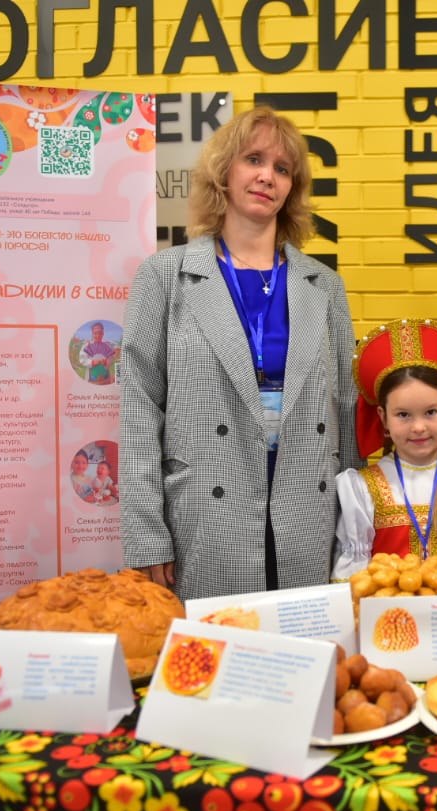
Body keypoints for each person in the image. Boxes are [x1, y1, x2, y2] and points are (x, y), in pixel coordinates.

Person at [120, 105, 360, 601]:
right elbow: (139, 411)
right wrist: (146, 535)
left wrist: (354, 532)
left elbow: (347, 408)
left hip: (307, 514)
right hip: (205, 515)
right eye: (254, 160)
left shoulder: (324, 286)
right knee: (216, 645)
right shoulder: (164, 277)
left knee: (304, 645)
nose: (267, 176)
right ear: (223, 172)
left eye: (282, 168)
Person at [333, 319, 437, 581]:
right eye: (403, 415)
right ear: (383, 417)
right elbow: (354, 577)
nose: (418, 427)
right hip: (389, 607)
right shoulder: (361, 487)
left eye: (431, 412)